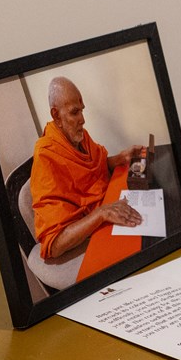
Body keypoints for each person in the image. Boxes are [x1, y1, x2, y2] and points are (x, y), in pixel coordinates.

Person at [31, 76, 145, 260]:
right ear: (56, 115)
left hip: (105, 211)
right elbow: (54, 244)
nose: (82, 120)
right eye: (74, 112)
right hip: (85, 236)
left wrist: (120, 158)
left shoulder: (79, 136)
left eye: (82, 111)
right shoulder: (46, 155)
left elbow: (94, 170)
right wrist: (101, 213)